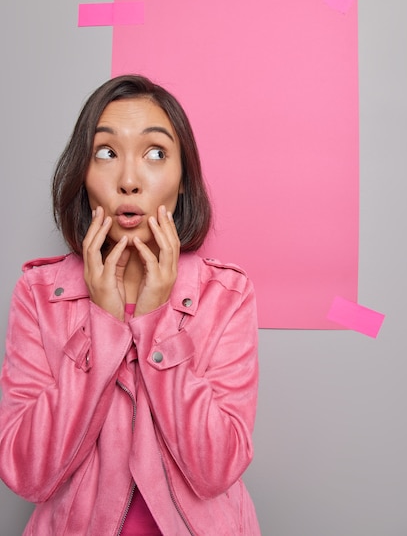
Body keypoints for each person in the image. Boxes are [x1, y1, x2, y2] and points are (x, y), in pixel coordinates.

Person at [0, 74, 260, 535]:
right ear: (83, 176)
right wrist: (102, 325)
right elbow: (26, 473)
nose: (129, 180)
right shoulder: (39, 295)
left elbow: (217, 470)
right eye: (106, 153)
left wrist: (159, 325)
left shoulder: (227, 295)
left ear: (182, 182)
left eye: (156, 154)